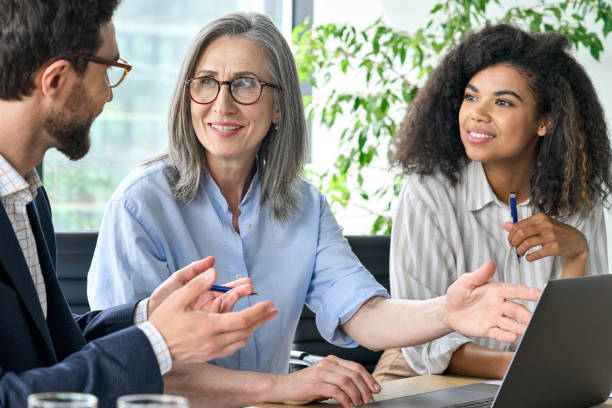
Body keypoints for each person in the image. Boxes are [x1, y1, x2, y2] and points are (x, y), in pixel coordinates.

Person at [87, 13, 542, 408]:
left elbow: (364, 314)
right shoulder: (139, 204)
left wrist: (448, 311)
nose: (222, 103)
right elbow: (135, 368)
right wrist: (282, 385)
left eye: (245, 84)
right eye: (206, 83)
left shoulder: (304, 205)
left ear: (279, 106)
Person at [0, 1, 279, 407]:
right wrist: (157, 342)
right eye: (108, 70)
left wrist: (147, 314)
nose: (109, 95)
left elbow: (51, 351)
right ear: (57, 79)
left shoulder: (27, 198)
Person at [372, 23, 611, 383]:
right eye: (471, 97)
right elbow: (423, 348)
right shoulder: (428, 193)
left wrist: (577, 253)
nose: (477, 114)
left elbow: (577, 338)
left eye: (502, 102)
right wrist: (524, 369)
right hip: (423, 373)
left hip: (533, 378)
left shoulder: (575, 193)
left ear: (544, 121)